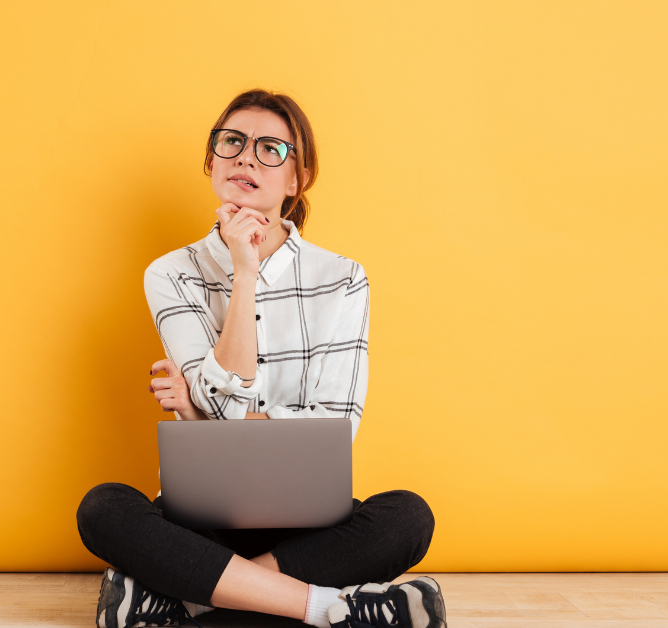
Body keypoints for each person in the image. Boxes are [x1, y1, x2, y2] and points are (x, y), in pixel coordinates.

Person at [76, 89, 444, 628]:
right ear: (211, 161)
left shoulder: (342, 279)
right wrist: (243, 273)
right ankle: (327, 609)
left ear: (296, 179)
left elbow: (334, 426)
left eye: (270, 148)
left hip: (307, 522)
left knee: (408, 517)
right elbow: (227, 412)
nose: (246, 156)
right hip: (201, 519)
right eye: (232, 143)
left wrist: (199, 412)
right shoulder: (170, 273)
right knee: (103, 509)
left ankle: (191, 599)